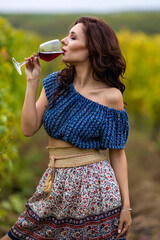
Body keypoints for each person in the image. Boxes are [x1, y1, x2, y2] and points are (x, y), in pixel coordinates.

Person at [1, 16, 132, 240]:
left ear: (93, 47)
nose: (63, 40)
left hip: (96, 189)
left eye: (72, 37)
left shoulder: (111, 96)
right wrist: (32, 83)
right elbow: (28, 128)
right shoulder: (54, 83)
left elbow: (117, 152)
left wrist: (126, 206)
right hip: (54, 183)